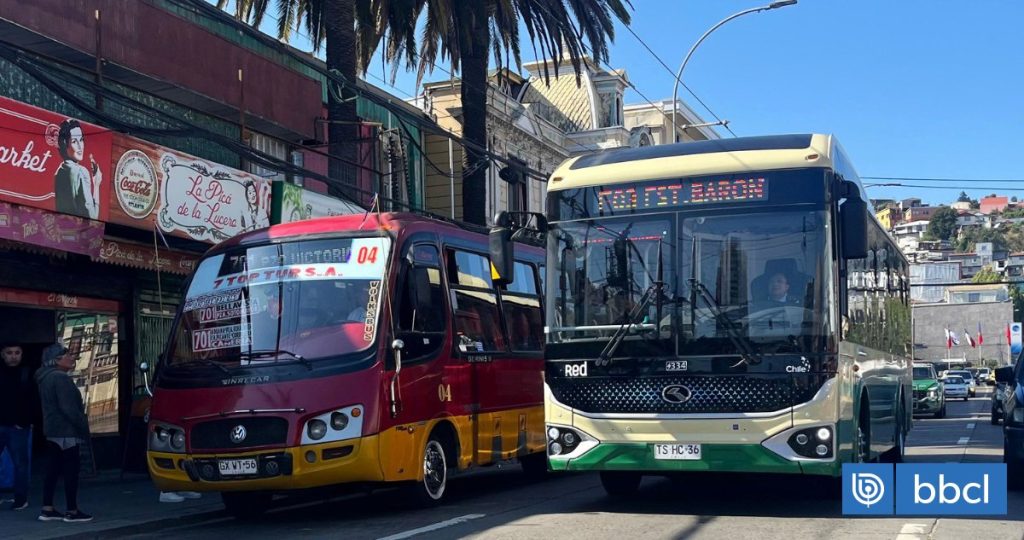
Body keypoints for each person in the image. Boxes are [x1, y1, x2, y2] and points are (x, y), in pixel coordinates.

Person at [35, 343, 92, 523]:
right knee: (71, 470)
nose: (72, 358)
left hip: (52, 429)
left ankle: (47, 508)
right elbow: (68, 408)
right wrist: (82, 425)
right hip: (66, 429)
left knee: (52, 469)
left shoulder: (45, 377)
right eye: (67, 355)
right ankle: (72, 510)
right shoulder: (60, 378)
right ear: (57, 360)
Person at [0, 344, 35, 511]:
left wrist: (24, 421)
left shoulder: (26, 373)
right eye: (9, 353)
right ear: (2, 354)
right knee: (20, 463)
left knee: (20, 463)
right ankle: (19, 499)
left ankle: (20, 498)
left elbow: (32, 399)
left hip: (17, 426)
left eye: (17, 353)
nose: (13, 356)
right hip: (9, 424)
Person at [53, 119, 102, 220]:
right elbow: (92, 217)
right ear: (65, 144)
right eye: (74, 141)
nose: (80, 147)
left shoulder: (59, 171)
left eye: (81, 140)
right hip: (77, 229)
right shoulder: (81, 172)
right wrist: (96, 185)